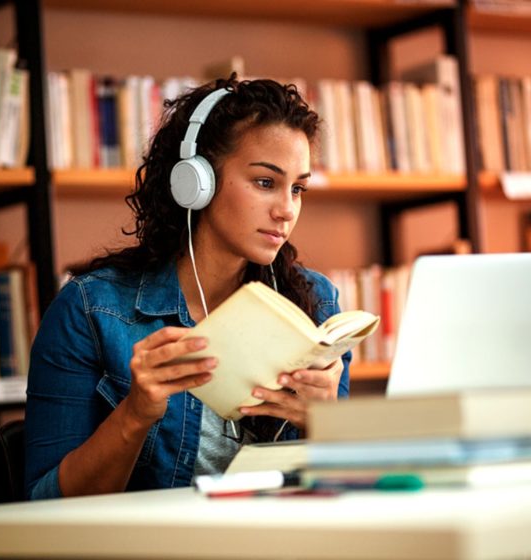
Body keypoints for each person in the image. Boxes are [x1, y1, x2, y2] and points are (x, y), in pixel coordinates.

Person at [24, 76, 351, 500]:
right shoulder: (90, 310)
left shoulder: (315, 304)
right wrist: (136, 413)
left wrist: (326, 424)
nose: (287, 210)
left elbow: (338, 493)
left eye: (298, 188)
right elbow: (45, 502)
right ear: (197, 182)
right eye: (265, 183)